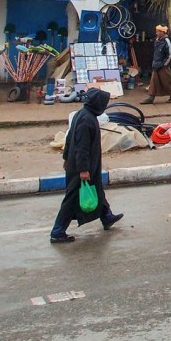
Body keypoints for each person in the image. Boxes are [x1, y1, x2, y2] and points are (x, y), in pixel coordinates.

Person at [50, 88, 124, 243]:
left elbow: (69, 139)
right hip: (82, 167)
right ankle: (58, 231)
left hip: (81, 164)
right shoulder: (87, 120)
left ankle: (107, 216)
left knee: (97, 190)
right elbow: (81, 147)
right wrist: (83, 169)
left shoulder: (81, 114)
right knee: (72, 199)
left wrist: (66, 158)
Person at [141, 24, 171, 104]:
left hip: (163, 66)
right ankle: (150, 98)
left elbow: (170, 54)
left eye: (158, 31)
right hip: (156, 65)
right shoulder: (157, 40)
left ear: (163, 32)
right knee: (153, 82)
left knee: (167, 81)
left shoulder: (167, 42)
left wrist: (164, 64)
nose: (156, 33)